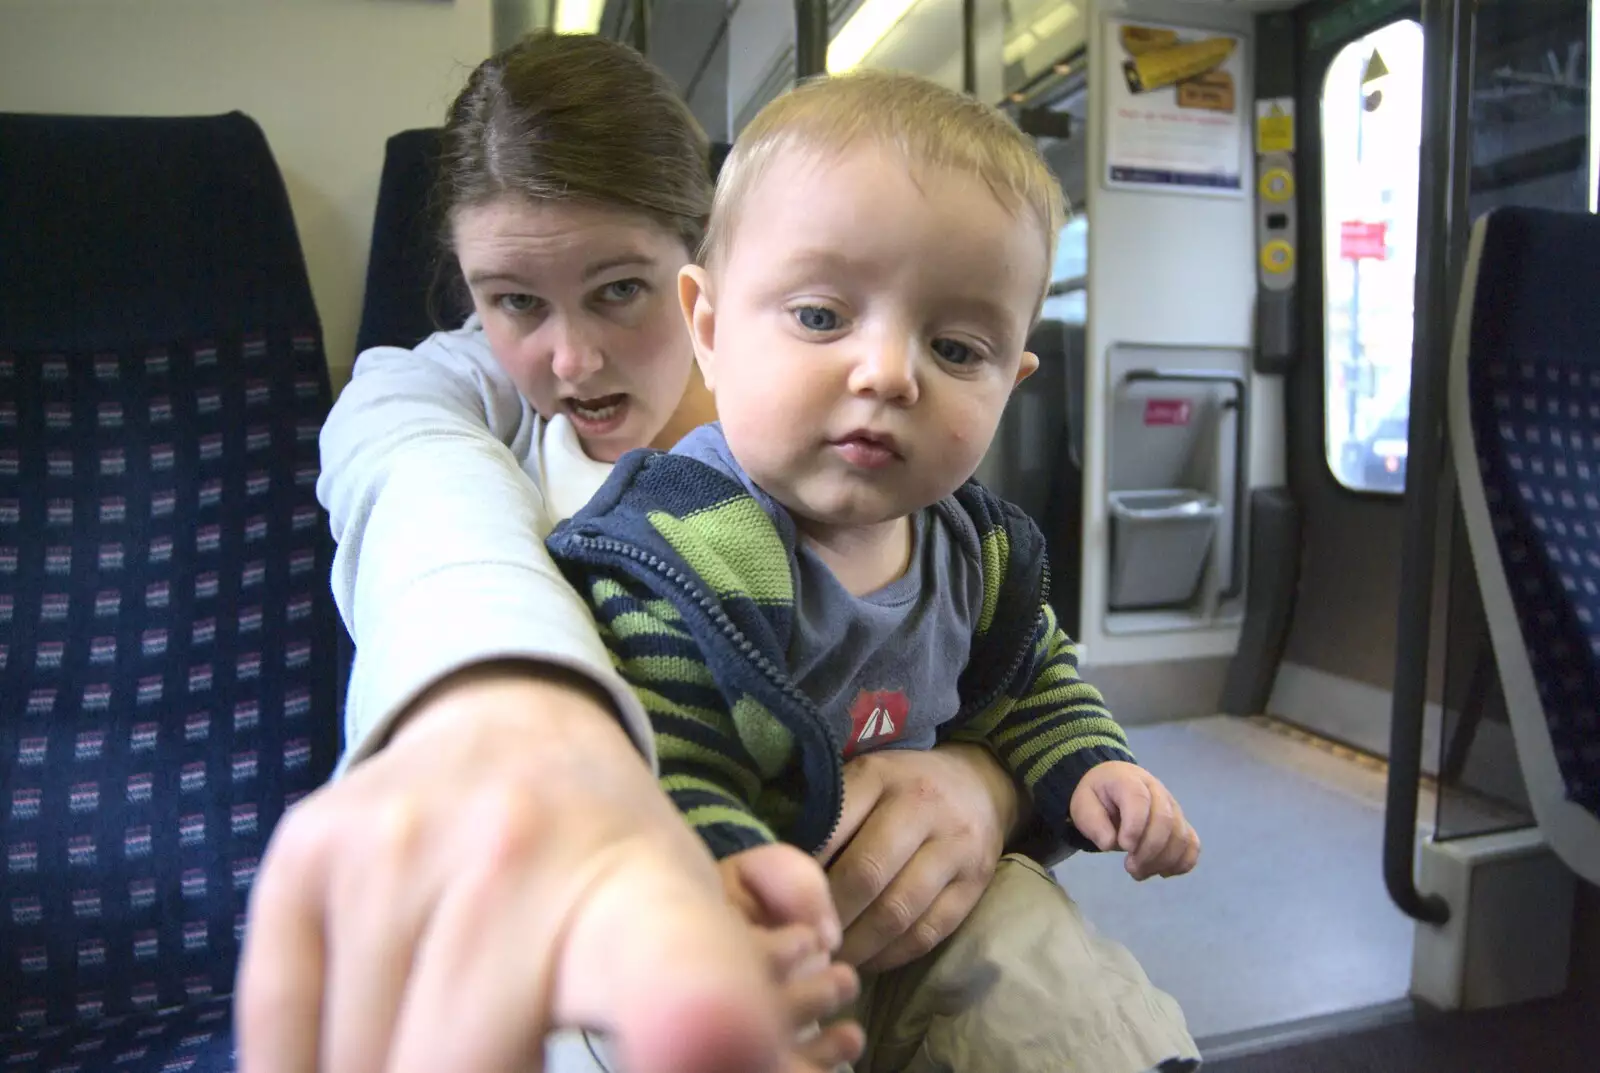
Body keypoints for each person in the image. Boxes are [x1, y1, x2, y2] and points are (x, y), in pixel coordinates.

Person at [235, 31, 1083, 1073]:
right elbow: (423, 500)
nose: (571, 358)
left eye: (619, 289)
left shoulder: (870, 455)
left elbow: (1009, 666)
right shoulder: (477, 424)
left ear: (705, 269)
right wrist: (506, 711)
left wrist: (987, 777)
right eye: (512, 301)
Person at [545, 70, 1203, 1073]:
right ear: (710, 327)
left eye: (954, 346)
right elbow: (666, 762)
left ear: (1011, 379)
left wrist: (1092, 765)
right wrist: (732, 910)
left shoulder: (975, 552)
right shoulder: (681, 545)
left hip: (923, 912)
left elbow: (1031, 679)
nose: (889, 372)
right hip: (728, 928)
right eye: (820, 317)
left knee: (1037, 948)